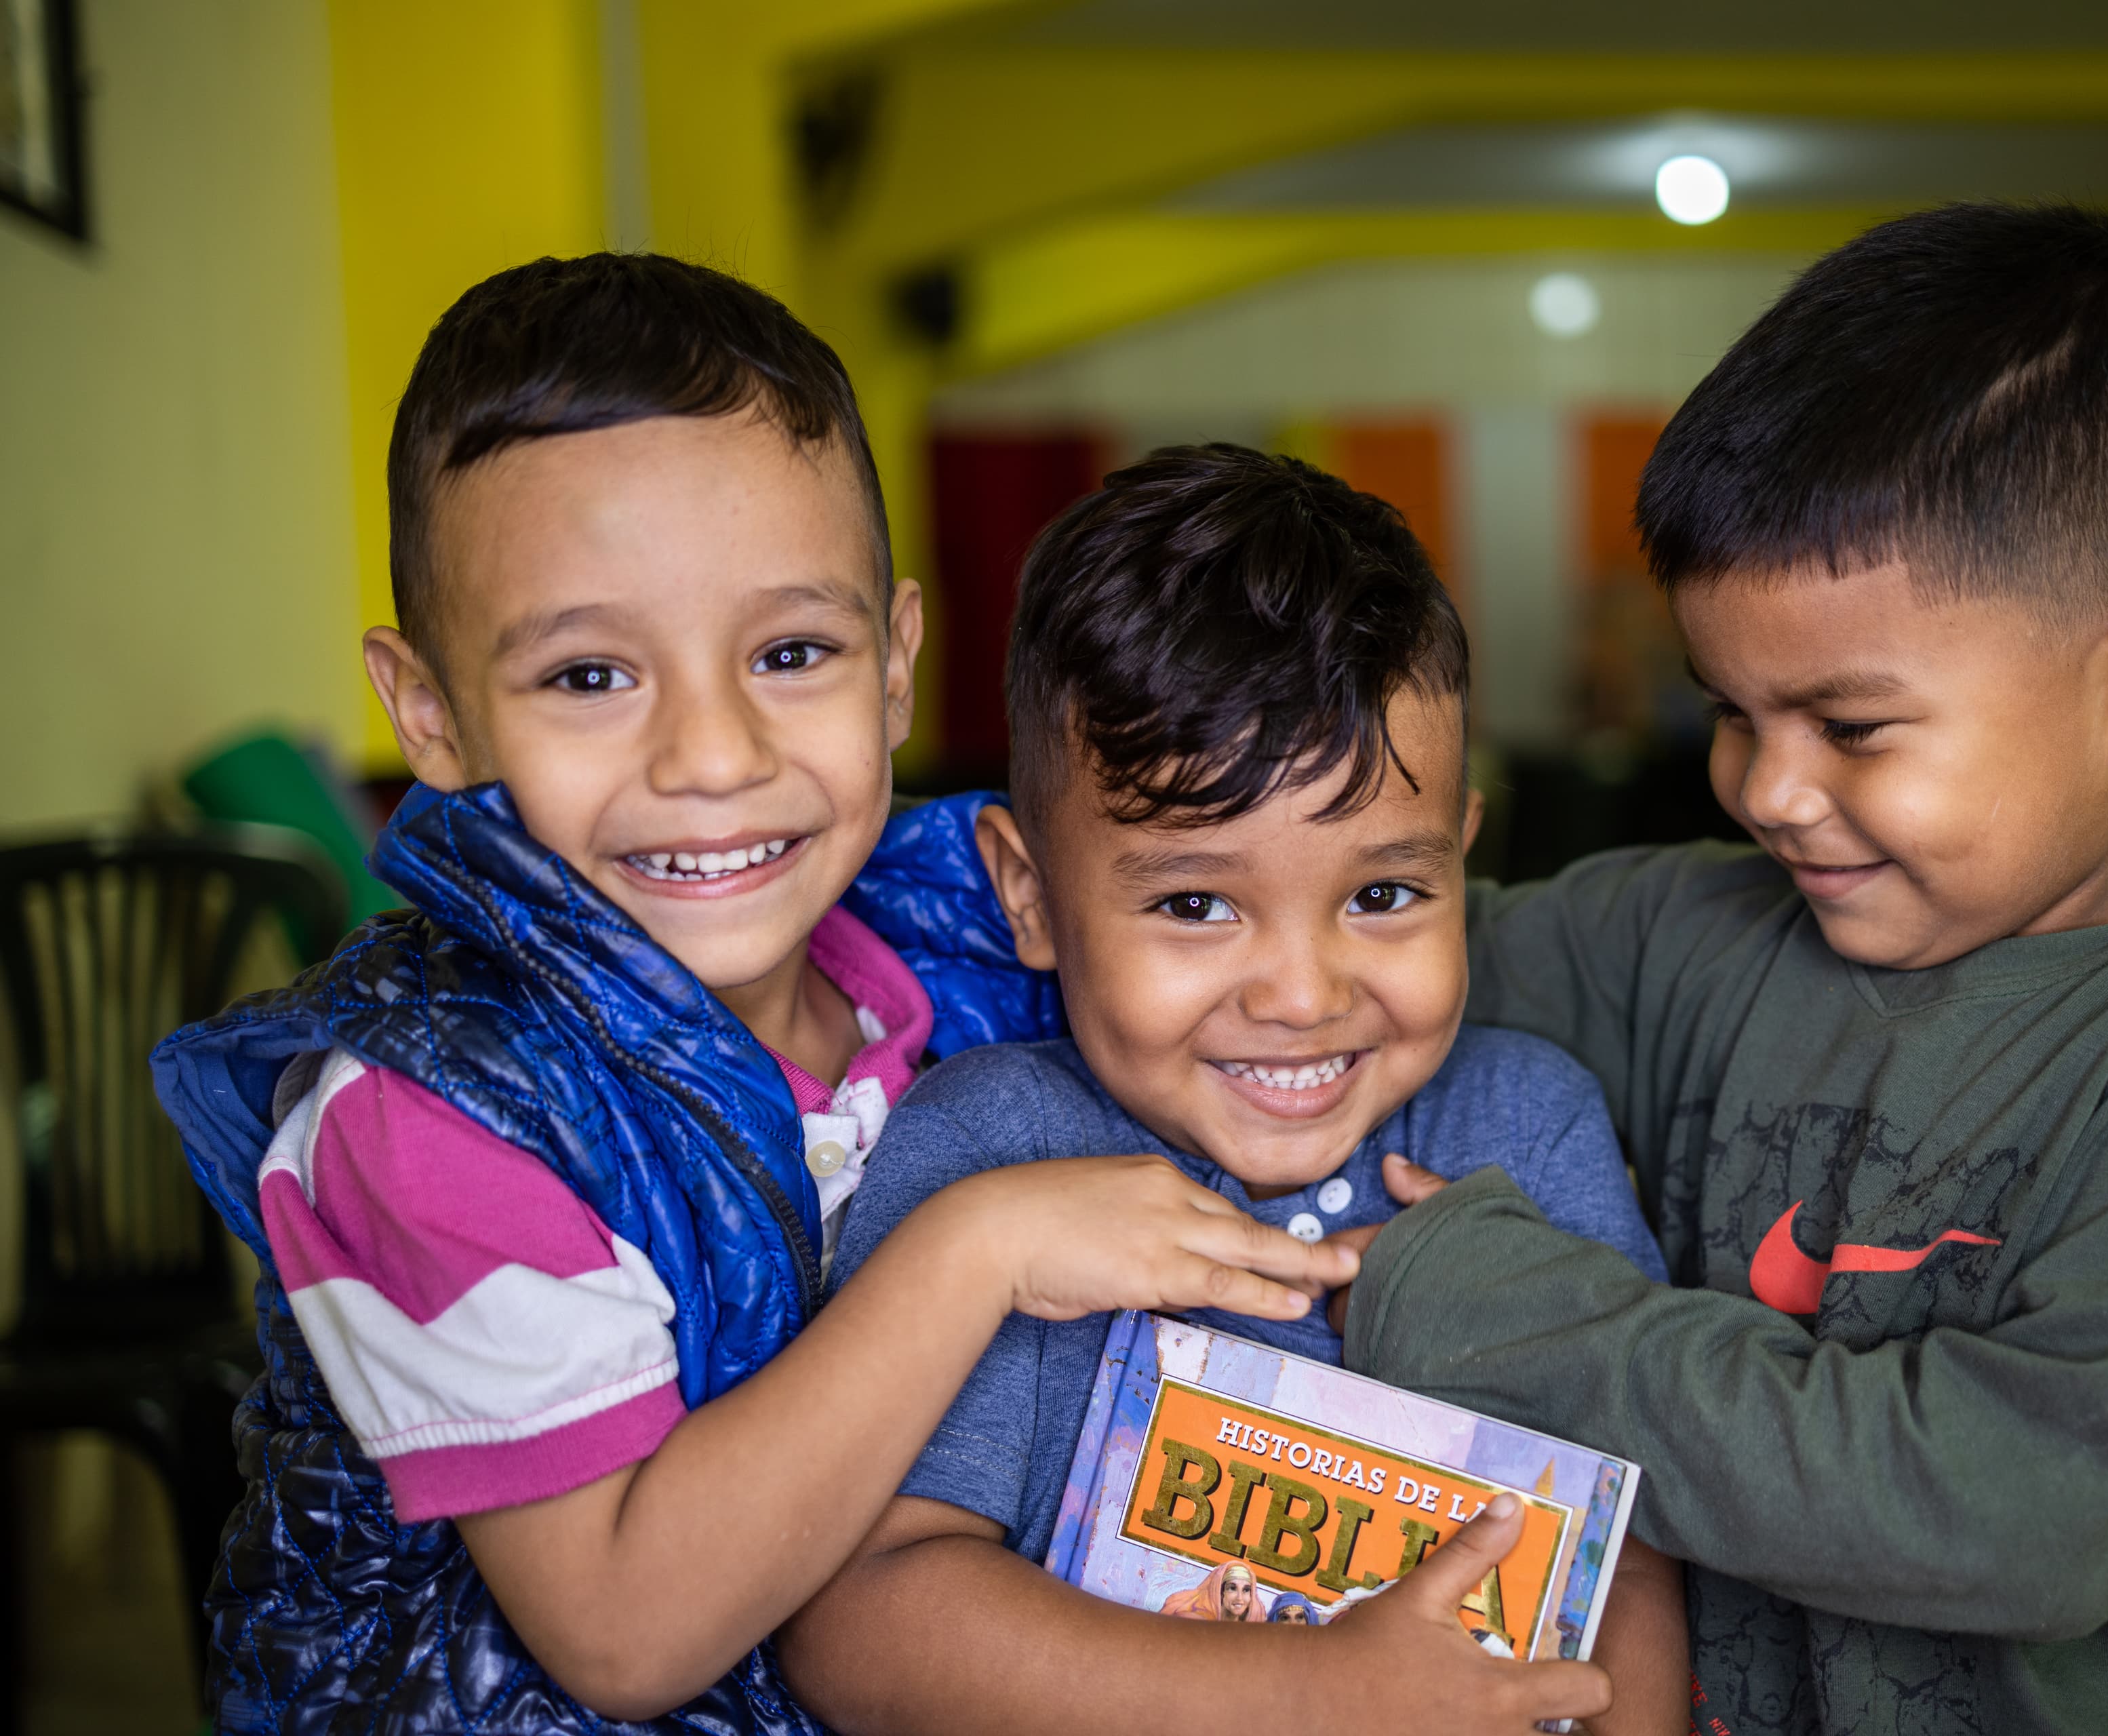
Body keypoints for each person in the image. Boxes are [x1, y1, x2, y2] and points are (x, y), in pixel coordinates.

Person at [150, 254, 1360, 1735]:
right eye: (591, 676)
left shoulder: (966, 938)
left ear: (898, 666)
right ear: (434, 716)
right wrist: (976, 1244)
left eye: (791, 652)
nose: (713, 755)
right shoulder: (421, 1119)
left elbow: (1298, 914)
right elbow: (622, 1629)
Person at [1329, 202, 2108, 1735]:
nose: (1766, 788)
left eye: (1853, 725)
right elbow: (1326, 964)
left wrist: (1493, 1311)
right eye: (1732, 713)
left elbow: (2018, 1511)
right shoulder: (1684, 935)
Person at [777, 446, 1686, 1735]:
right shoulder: (992, 1151)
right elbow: (859, 1626)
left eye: (1383, 896)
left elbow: (1624, 1556)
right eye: (1197, 904)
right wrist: (1308, 1694)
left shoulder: (1524, 1122)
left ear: (1461, 861)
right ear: (1029, 893)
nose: (1305, 995)